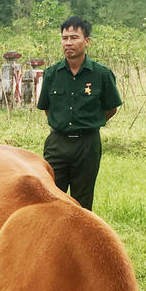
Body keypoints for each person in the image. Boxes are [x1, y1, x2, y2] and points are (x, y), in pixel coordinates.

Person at [36, 16, 122, 211]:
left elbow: (111, 108)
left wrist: (88, 123)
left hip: (87, 145)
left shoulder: (101, 74)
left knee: (82, 203)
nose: (68, 43)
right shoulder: (51, 74)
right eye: (64, 38)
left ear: (87, 41)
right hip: (57, 143)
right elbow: (48, 109)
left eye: (74, 37)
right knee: (51, 199)